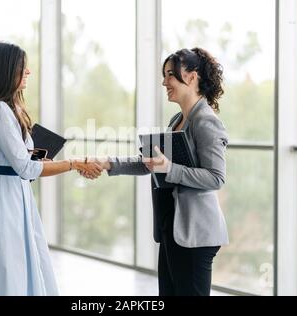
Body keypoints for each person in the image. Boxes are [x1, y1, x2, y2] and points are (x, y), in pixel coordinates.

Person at [85, 47, 229, 296]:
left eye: (171, 75)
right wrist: (108, 162)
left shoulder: (206, 122)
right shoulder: (177, 120)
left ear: (192, 77)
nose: (165, 82)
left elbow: (216, 178)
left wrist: (169, 168)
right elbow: (150, 163)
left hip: (194, 234)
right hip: (172, 227)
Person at [0, 42, 102, 296]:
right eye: (22, 67)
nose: (28, 72)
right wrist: (73, 163)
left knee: (15, 264)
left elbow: (23, 159)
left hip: (10, 194)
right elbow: (26, 167)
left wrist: (44, 161)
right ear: (5, 70)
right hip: (3, 198)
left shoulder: (7, 109)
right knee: (6, 267)